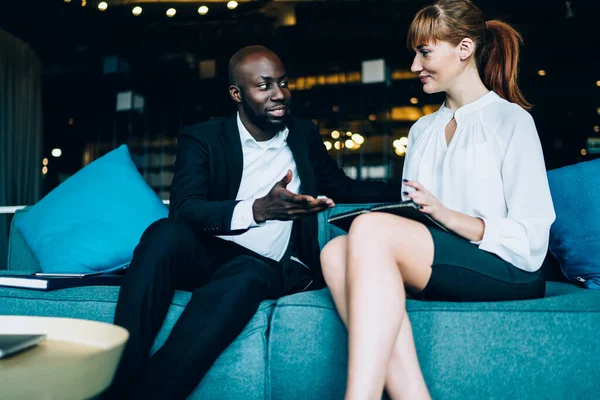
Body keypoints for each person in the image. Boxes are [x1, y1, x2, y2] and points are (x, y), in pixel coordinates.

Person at [107, 45, 403, 399]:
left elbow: (343, 187)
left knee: (246, 271)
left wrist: (407, 185)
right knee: (163, 233)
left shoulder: (303, 135)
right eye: (264, 86)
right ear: (237, 93)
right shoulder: (203, 139)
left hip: (268, 266)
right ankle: (116, 378)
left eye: (283, 83)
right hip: (209, 253)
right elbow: (186, 209)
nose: (279, 94)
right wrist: (258, 210)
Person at [319, 1, 556, 399]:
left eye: (424, 52)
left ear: (464, 49)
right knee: (334, 252)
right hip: (445, 259)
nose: (414, 66)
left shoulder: (512, 121)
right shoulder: (421, 130)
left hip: (509, 265)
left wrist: (446, 216)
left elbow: (531, 237)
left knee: (369, 228)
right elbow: (411, 225)